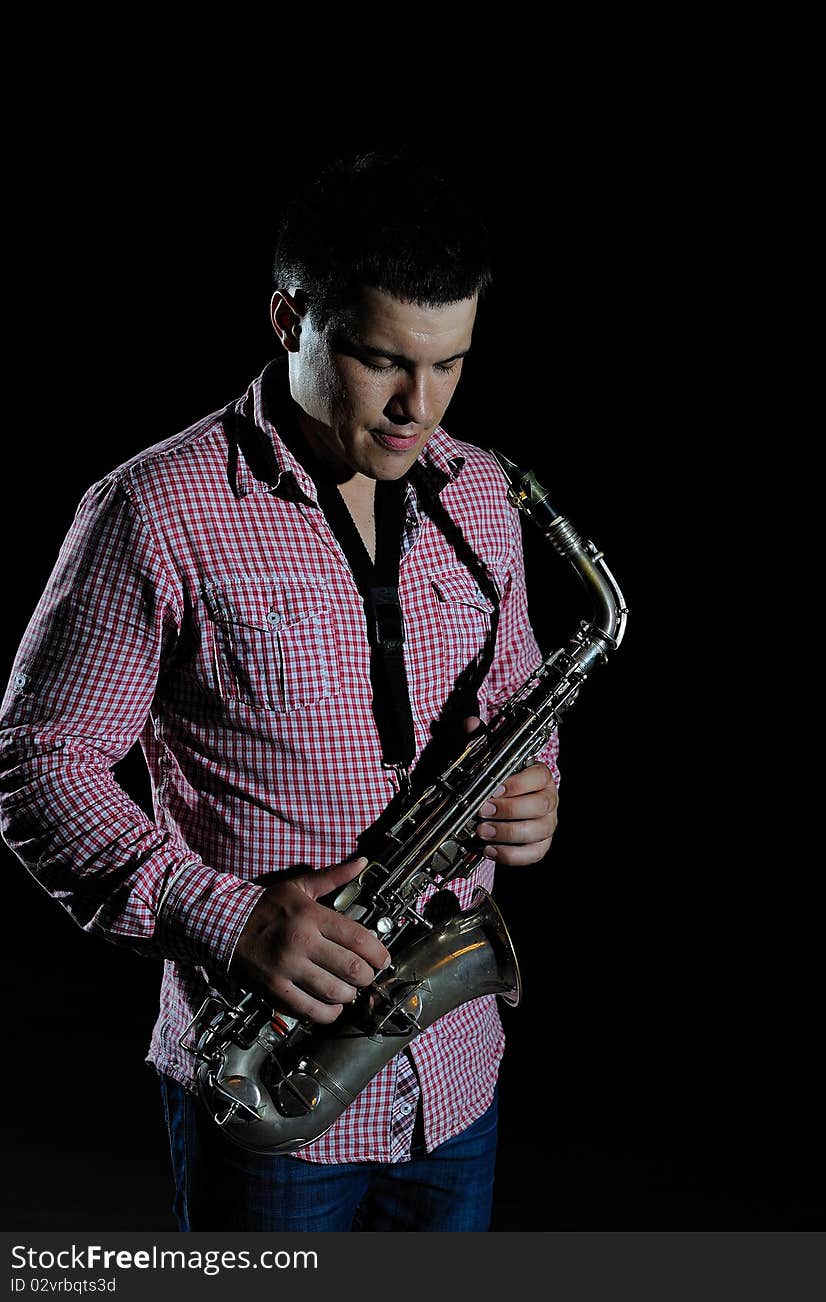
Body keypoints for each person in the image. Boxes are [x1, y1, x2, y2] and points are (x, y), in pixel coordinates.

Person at [0, 150, 559, 1232]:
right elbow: (37, 769)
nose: (419, 408)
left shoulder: (484, 491)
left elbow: (522, 696)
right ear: (287, 316)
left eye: (450, 366)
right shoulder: (158, 509)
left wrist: (536, 789)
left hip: (453, 1076)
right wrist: (231, 920)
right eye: (382, 361)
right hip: (271, 1084)